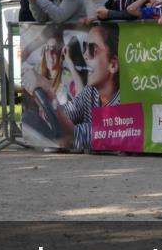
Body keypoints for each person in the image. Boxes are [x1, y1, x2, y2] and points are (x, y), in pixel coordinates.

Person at [28, 23, 120, 153]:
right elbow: (67, 113)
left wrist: (49, 93)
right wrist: (48, 105)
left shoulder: (122, 102)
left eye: (93, 49)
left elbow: (79, 136)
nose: (85, 55)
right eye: (85, 47)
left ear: (113, 65)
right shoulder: (91, 91)